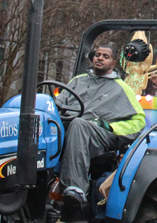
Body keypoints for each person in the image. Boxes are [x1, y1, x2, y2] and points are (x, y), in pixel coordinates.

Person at [56, 46, 145, 210]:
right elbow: (59, 104)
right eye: (97, 55)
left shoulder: (122, 88)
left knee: (79, 124)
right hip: (70, 127)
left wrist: (110, 126)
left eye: (105, 56)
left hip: (101, 135)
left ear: (113, 63)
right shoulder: (77, 81)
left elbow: (138, 122)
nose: (100, 58)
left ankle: (75, 190)